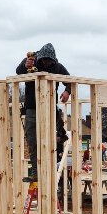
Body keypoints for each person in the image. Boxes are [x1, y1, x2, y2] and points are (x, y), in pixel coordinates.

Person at [15, 43, 72, 182]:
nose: (47, 64)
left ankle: (50, 172)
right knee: (33, 141)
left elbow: (70, 80)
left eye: (50, 62)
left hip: (49, 108)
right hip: (32, 109)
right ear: (40, 58)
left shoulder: (57, 67)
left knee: (50, 142)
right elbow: (18, 71)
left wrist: (67, 91)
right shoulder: (31, 61)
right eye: (45, 61)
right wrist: (25, 66)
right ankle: (36, 173)